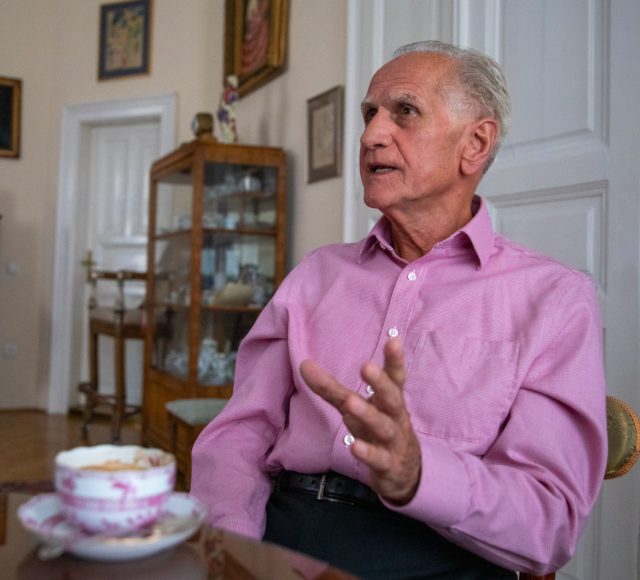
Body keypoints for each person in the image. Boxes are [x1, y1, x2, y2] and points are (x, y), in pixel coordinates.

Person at [191, 40, 607, 579]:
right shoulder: (316, 274)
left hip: (437, 554)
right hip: (283, 528)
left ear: (475, 144)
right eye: (370, 114)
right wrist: (230, 549)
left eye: (404, 111)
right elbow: (240, 434)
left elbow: (548, 522)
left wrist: (419, 475)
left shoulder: (553, 298)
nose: (370, 135)